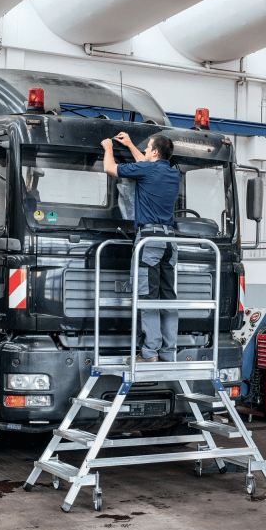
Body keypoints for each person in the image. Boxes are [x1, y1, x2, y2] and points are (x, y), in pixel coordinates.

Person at [102, 132, 181, 363]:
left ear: (154, 152)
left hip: (149, 241)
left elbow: (110, 168)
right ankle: (168, 353)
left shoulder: (148, 169)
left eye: (147, 148)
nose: (144, 151)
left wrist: (108, 147)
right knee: (168, 299)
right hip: (169, 242)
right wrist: (129, 144)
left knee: (147, 298)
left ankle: (149, 353)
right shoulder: (173, 173)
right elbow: (146, 164)